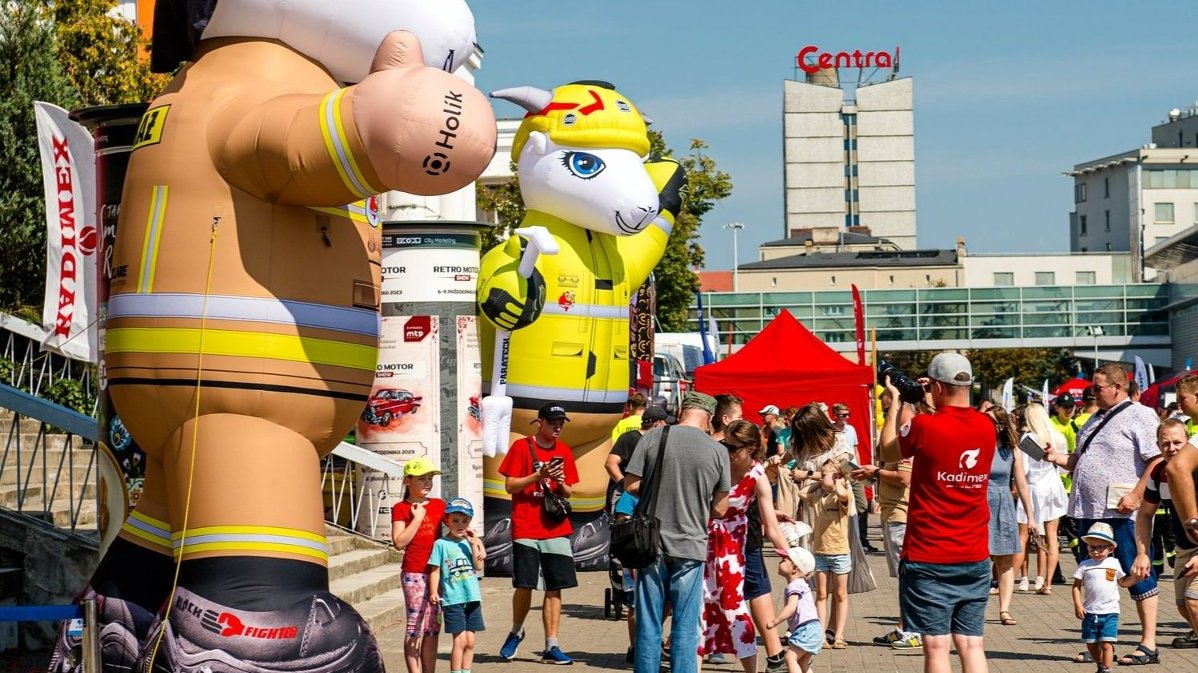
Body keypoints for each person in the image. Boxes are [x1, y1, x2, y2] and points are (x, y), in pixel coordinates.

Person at [1043, 364, 1164, 667]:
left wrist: (1138, 493)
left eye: (1097, 387)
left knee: (1136, 572)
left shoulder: (1141, 415)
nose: (1091, 393)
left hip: (1120, 511)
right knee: (1097, 577)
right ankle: (1101, 643)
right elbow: (1079, 460)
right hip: (1089, 510)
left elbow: (1156, 458)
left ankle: (1148, 643)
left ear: (1118, 388)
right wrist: (1054, 457)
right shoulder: (1094, 418)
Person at [895, 352, 995, 673]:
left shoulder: (925, 426)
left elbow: (888, 447)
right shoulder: (987, 426)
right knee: (971, 643)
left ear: (937, 387)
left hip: (930, 555)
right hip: (974, 553)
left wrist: (905, 402)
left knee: (937, 645)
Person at [625, 391, 730, 673]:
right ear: (709, 418)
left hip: (651, 542)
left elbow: (630, 485)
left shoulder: (652, 437)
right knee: (685, 623)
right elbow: (720, 509)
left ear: (682, 410)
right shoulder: (718, 451)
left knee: (649, 620)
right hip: (691, 543)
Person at [701, 420, 793, 672]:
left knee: (734, 609)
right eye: (724, 445)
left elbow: (771, 527)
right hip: (701, 543)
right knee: (698, 609)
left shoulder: (757, 475)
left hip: (731, 549)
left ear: (751, 448)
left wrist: (788, 557)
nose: (726, 452)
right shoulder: (714, 464)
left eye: (733, 448)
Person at [497, 402, 581, 665]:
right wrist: (538, 475)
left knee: (555, 587)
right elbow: (510, 486)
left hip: (555, 527)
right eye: (552, 422)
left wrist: (558, 479)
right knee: (525, 584)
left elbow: (568, 492)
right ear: (539, 423)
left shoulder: (564, 451)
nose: (557, 427)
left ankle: (551, 645)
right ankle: (516, 630)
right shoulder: (522, 447)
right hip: (526, 525)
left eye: (561, 423)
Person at [854, 385, 920, 650]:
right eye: (883, 408)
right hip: (895, 512)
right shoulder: (902, 434)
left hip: (902, 513)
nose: (886, 414)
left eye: (890, 407)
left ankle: (912, 629)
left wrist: (876, 473)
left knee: (908, 575)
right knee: (903, 575)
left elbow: (904, 476)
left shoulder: (910, 434)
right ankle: (906, 625)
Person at [1132, 418, 1198, 649]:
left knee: (1194, 602)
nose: (1172, 449)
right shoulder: (1159, 472)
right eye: (1165, 444)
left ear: (1188, 441)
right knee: (1182, 605)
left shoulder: (1194, 469)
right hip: (1184, 548)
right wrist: (1142, 553)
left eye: (1178, 443)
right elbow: (1144, 515)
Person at [391, 457, 448, 673]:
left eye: (430, 478)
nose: (427, 483)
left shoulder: (439, 505)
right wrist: (417, 518)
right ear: (407, 481)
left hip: (436, 573)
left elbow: (455, 528)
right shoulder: (400, 508)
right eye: (421, 479)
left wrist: (473, 540)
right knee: (415, 626)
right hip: (414, 573)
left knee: (433, 628)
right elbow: (398, 542)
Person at [983, 406, 1036, 626]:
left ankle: (1004, 609)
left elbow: (1021, 484)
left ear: (1002, 425)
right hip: (978, 505)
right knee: (977, 559)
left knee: (1005, 561)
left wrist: (1031, 516)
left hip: (1003, 505)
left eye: (992, 422)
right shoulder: (976, 446)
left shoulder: (1012, 448)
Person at [1013, 403, 1069, 596]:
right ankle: (1047, 583)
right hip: (1053, 488)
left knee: (1023, 537)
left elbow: (1025, 470)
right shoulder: (1057, 436)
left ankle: (1010, 577)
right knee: (1052, 537)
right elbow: (1062, 466)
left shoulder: (1028, 439)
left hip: (1033, 489)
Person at [427, 498, 487, 673]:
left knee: (470, 641)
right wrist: (433, 591)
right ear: (446, 521)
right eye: (455, 520)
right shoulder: (441, 544)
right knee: (459, 641)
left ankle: (466, 670)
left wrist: (475, 543)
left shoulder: (469, 542)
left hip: (472, 597)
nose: (460, 525)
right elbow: (435, 570)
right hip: (453, 599)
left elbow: (478, 566)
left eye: (464, 521)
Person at [800, 459, 852, 649]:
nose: (821, 478)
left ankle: (839, 635)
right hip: (820, 552)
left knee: (840, 594)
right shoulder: (819, 496)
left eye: (824, 475)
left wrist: (838, 481)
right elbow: (802, 492)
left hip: (839, 552)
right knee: (821, 594)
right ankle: (820, 634)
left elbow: (842, 494)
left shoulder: (841, 496)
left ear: (837, 477)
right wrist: (819, 481)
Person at [1073, 523, 1138, 673]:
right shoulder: (1084, 565)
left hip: (1110, 611)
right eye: (1092, 547)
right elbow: (1076, 586)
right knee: (1091, 645)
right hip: (1090, 611)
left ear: (1111, 549)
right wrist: (1078, 605)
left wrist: (1136, 578)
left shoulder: (1114, 563)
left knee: (1107, 643)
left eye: (1101, 547)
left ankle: (1107, 669)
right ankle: (1100, 664)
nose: (1096, 552)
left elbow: (1123, 582)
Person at [606, 406, 673, 512]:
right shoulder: (629, 438)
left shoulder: (661, 440)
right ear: (658, 423)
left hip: (648, 493)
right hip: (627, 495)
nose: (668, 425)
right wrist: (624, 483)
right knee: (623, 526)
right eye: (666, 422)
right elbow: (610, 463)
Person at [766, 547, 821, 673]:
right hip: (813, 628)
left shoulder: (795, 585)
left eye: (784, 560)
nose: (780, 562)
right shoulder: (801, 584)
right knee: (802, 662)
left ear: (794, 569)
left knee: (790, 658)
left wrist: (775, 622)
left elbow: (791, 608)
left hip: (806, 630)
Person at [832, 403, 877, 555]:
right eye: (843, 415)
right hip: (839, 472)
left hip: (854, 471)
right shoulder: (830, 431)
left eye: (848, 415)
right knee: (841, 507)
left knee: (862, 505)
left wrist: (858, 467)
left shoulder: (851, 429)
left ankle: (862, 539)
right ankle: (844, 540)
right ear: (835, 416)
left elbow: (855, 450)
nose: (846, 418)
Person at [612, 488, 642, 663]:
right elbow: (621, 524)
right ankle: (634, 647)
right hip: (635, 554)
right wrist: (630, 560)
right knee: (634, 604)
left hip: (662, 554)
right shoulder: (631, 494)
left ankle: (652, 641)